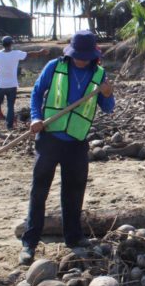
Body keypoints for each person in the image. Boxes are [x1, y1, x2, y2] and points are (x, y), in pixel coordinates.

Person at [19, 30, 115, 265]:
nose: (80, 59)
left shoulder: (100, 75)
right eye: (77, 55)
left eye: (85, 56)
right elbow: (36, 93)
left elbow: (108, 108)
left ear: (93, 55)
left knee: (73, 193)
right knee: (39, 191)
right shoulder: (55, 67)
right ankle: (30, 242)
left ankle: (73, 237)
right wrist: (34, 118)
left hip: (77, 143)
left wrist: (108, 94)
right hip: (50, 138)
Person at [0, 36, 48, 137]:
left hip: (0, 85)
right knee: (10, 106)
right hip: (12, 85)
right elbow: (30, 55)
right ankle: (9, 127)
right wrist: (41, 52)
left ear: (2, 44)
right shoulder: (16, 54)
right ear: (11, 44)